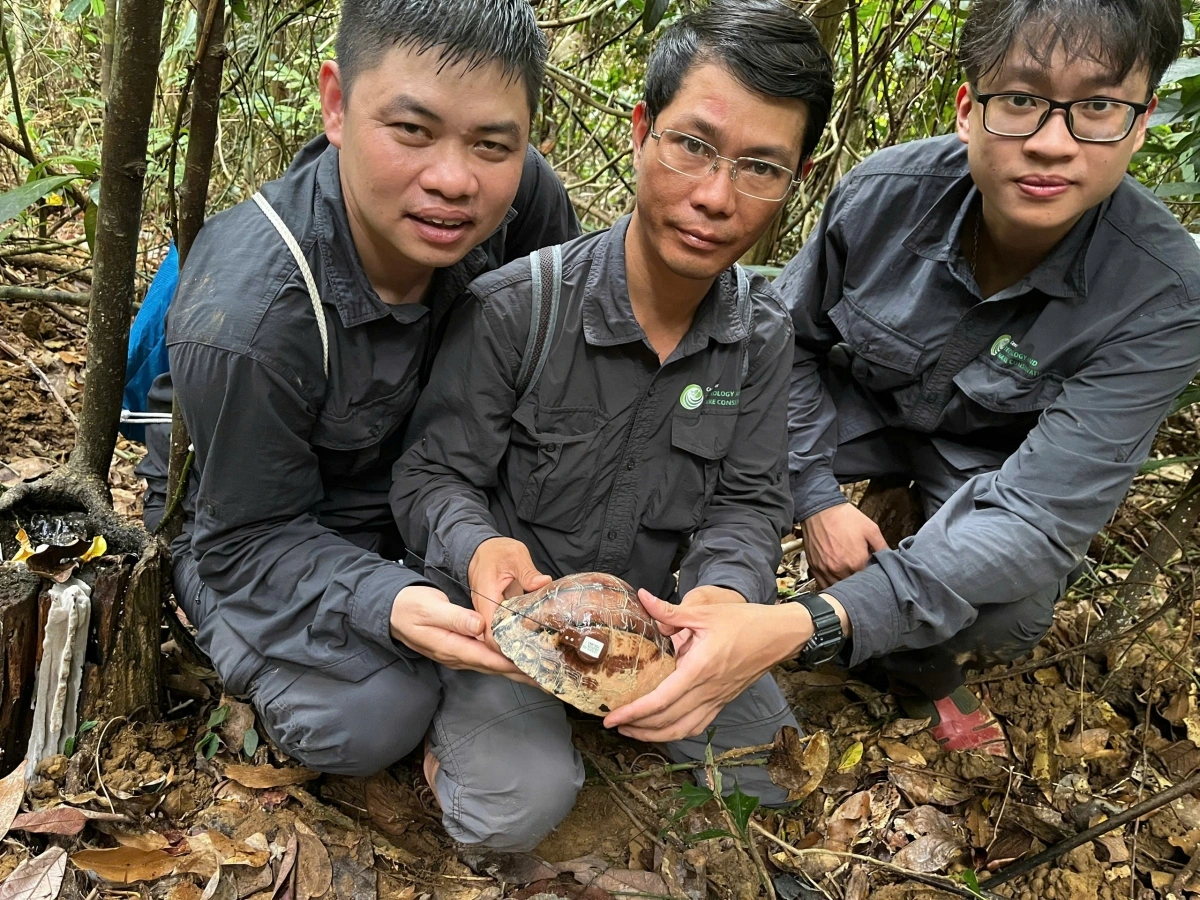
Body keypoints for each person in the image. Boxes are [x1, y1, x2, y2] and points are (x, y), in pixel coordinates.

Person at [605, 0, 1200, 757]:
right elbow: (781, 346)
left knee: (1008, 614)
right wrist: (815, 496)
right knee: (693, 421)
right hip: (859, 412)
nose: (1054, 144)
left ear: (1142, 121)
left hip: (987, 467)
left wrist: (812, 623)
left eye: (1098, 108)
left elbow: (1040, 518)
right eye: (1020, 100)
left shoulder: (1164, 291)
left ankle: (895, 652)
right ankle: (672, 607)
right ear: (967, 110)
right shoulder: (888, 193)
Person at [392, 0, 833, 851]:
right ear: (642, 132)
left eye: (759, 167)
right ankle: (458, 745)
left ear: (795, 181)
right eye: (692, 145)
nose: (714, 196)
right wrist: (478, 549)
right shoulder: (519, 309)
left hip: (654, 625)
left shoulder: (763, 337)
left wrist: (727, 597)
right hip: (519, 630)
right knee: (511, 813)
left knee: (767, 780)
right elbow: (431, 476)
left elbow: (748, 502)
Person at [137, 0, 579, 777]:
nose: (453, 179)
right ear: (336, 103)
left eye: (491, 143)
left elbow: (559, 359)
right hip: (254, 524)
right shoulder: (250, 314)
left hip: (425, 489)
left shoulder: (522, 201)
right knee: (371, 718)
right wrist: (388, 601)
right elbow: (244, 537)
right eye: (411, 129)